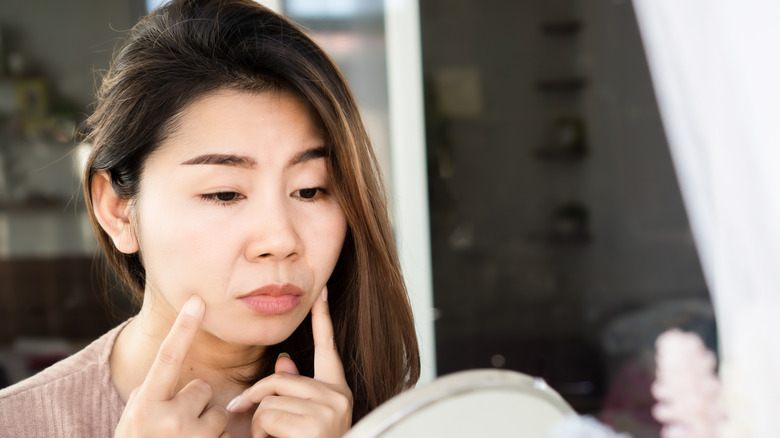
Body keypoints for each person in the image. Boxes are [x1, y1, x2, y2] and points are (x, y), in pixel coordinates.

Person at [0, 0, 420, 436]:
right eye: (224, 193)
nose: (280, 239)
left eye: (310, 189)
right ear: (118, 209)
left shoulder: (402, 419)